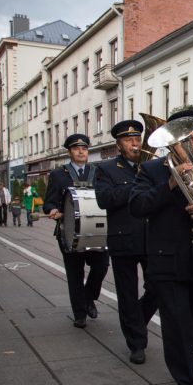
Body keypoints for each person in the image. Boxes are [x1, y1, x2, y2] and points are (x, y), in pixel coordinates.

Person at [130, 109, 193, 385]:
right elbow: (138, 206)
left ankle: (180, 354)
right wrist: (170, 184)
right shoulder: (153, 170)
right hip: (169, 263)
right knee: (177, 326)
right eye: (187, 139)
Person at [95, 121, 161, 363]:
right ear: (119, 145)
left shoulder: (153, 167)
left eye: (137, 138)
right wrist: (138, 184)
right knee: (127, 294)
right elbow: (104, 199)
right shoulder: (107, 169)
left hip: (151, 239)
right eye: (128, 140)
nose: (135, 143)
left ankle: (137, 321)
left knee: (157, 287)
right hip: (123, 240)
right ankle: (136, 343)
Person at [43, 134, 110, 328]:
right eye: (76, 148)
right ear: (70, 152)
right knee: (75, 274)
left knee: (101, 267)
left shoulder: (97, 172)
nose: (81, 151)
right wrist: (52, 209)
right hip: (69, 232)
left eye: (84, 148)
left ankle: (89, 297)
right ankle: (80, 313)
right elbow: (49, 201)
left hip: (97, 230)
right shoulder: (59, 175)